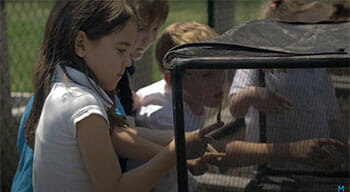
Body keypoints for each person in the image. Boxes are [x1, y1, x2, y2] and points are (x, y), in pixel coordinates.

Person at [13, 1, 215, 192]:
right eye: (121, 50)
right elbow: (115, 188)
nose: (128, 62)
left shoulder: (66, 88)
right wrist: (175, 152)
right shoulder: (83, 105)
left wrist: (182, 142)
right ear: (81, 44)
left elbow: (116, 134)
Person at [130, 21, 348, 191]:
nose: (220, 82)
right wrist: (293, 150)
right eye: (207, 75)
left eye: (221, 70)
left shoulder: (194, 98)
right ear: (172, 81)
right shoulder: (161, 114)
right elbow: (220, 151)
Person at [229, 0, 348, 173]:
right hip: (270, 166)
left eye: (316, 28)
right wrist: (252, 94)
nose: (310, 35)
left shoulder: (318, 64)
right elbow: (235, 108)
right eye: (299, 28)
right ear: (275, 27)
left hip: (315, 163)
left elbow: (331, 118)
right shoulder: (257, 59)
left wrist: (343, 150)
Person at [114, 0, 169, 173]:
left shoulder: (126, 66)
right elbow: (126, 135)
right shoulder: (115, 71)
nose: (150, 39)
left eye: (155, 29)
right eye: (142, 28)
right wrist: (180, 141)